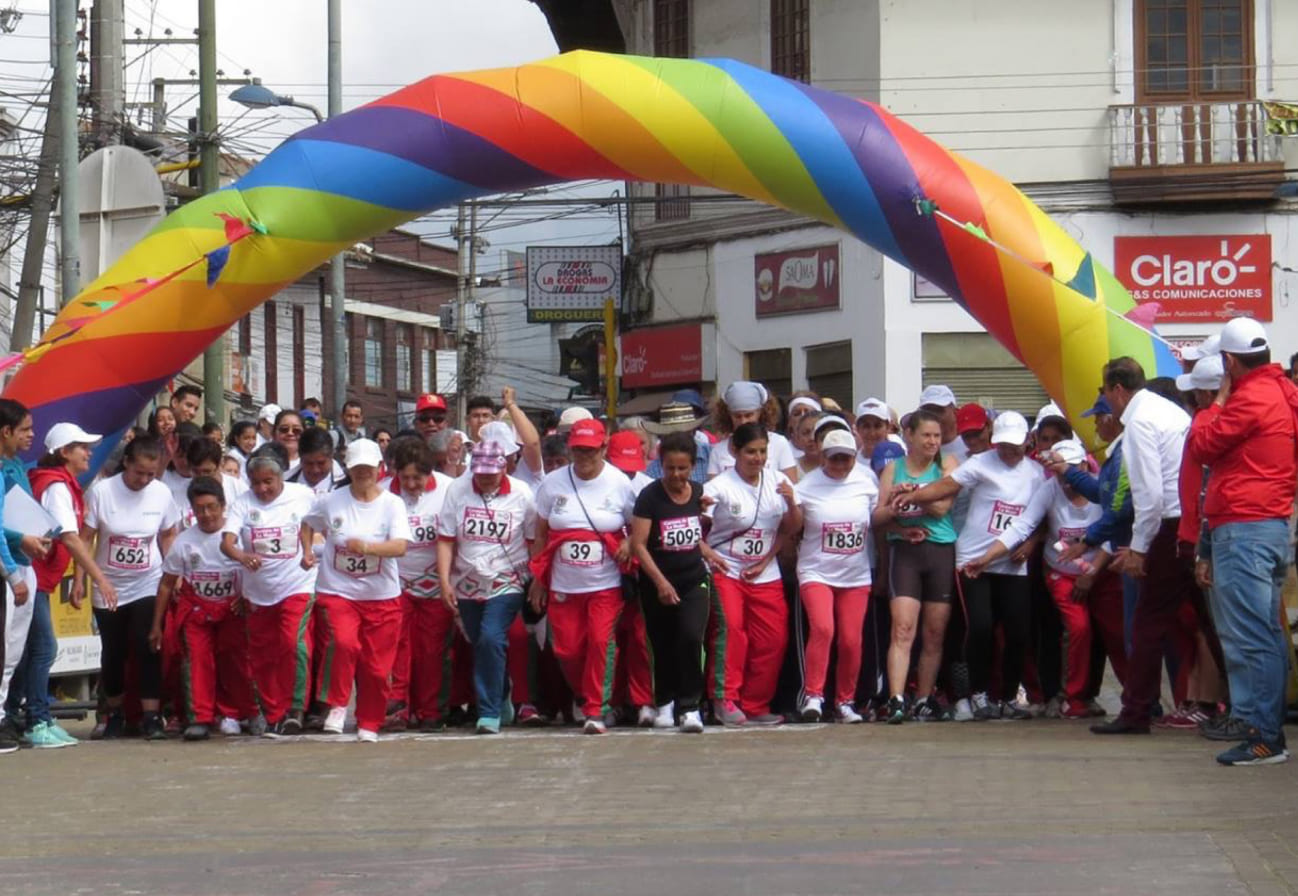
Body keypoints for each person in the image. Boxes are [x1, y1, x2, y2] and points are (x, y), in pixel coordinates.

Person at [1187, 317, 1298, 765]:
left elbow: (1202, 445)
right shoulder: (1286, 393)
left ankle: (1264, 736)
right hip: (1270, 525)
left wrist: (1213, 404)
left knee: (1251, 637)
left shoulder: (1249, 398)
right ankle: (1259, 727)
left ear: (1229, 362)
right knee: (1264, 634)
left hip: (1244, 528)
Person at [902, 410, 1046, 721]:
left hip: (1011, 563)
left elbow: (1039, 517)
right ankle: (979, 694)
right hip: (973, 562)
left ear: (1027, 442)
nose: (1008, 451)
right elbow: (947, 486)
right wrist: (913, 497)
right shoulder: (981, 463)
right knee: (980, 627)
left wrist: (1031, 544)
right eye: (1003, 445)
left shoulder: (1036, 474)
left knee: (1018, 631)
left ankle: (1008, 696)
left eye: (1015, 445)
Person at [971, 438, 1124, 718]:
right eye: (1059, 471)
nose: (1065, 479)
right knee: (1079, 628)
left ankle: (1137, 697)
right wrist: (987, 557)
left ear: (1082, 466)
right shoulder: (1049, 489)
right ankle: (1073, 699)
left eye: (1070, 470)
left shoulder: (1099, 487)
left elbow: (1112, 532)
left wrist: (1091, 574)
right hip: (1062, 575)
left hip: (1101, 573)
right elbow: (1023, 525)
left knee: (1116, 633)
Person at [1090, 356, 1195, 737]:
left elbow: (1148, 494)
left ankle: (1136, 712)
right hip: (1192, 519)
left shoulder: (1139, 422)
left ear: (1118, 389)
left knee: (1148, 622)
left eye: (1104, 391)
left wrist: (1138, 548)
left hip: (1169, 523)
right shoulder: (1168, 411)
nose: (1105, 400)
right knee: (1205, 621)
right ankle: (1228, 706)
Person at [528, 419, 637, 734]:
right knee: (568, 650)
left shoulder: (619, 483)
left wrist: (628, 544)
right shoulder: (552, 484)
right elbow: (541, 535)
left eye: (590, 451)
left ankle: (596, 710)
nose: (584, 458)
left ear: (604, 448)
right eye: (578, 451)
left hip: (605, 584)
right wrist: (538, 579)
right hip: (564, 584)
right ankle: (585, 694)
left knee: (601, 643)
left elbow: (635, 528)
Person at [300, 439, 411, 743]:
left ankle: (369, 722)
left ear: (379, 469)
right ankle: (337, 703)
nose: (362, 473)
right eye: (356, 468)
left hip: (381, 596)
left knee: (376, 669)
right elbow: (307, 523)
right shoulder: (331, 501)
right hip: (339, 591)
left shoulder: (392, 504)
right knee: (345, 644)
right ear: (348, 470)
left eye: (368, 468)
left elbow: (400, 546)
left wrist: (367, 547)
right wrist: (307, 551)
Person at [14, 424, 114, 747]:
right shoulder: (57, 486)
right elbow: (70, 537)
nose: (89, 452)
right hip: (34, 575)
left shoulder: (61, 484)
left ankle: (17, 715)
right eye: (81, 447)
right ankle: (36, 720)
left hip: (39, 576)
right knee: (44, 648)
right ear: (64, 452)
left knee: (30, 651)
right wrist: (99, 578)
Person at [702, 422, 802, 726]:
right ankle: (725, 698)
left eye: (762, 452)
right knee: (733, 630)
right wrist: (708, 554)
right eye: (750, 452)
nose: (757, 458)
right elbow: (695, 527)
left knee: (773, 638)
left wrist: (789, 502)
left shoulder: (779, 480)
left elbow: (792, 527)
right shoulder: (718, 486)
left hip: (764, 571)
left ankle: (756, 703)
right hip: (726, 570)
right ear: (735, 451)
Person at [81, 436, 180, 739]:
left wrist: (174, 576)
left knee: (148, 644)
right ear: (126, 463)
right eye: (139, 473)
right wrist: (83, 580)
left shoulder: (161, 493)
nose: (145, 480)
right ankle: (115, 712)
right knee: (114, 651)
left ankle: (151, 715)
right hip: (108, 583)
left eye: (151, 474)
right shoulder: (102, 492)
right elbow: (84, 539)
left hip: (147, 581)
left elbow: (168, 535)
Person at [437, 440, 537, 734]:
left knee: (492, 638)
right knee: (480, 642)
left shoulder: (522, 494)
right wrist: (444, 581)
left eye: (491, 474)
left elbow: (533, 540)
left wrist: (537, 581)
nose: (485, 479)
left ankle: (488, 710)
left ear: (503, 468)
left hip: (507, 580)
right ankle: (500, 691)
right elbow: (446, 538)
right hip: (467, 581)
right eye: (479, 473)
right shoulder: (457, 490)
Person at [629, 432, 724, 734]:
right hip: (656, 581)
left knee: (691, 638)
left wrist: (708, 554)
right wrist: (660, 583)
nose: (676, 475)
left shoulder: (697, 492)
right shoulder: (649, 497)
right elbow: (639, 545)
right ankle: (665, 701)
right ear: (661, 464)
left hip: (693, 579)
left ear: (693, 466)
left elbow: (691, 537)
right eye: (670, 468)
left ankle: (691, 706)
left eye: (682, 468)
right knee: (663, 643)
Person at [220, 444, 317, 735]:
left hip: (297, 584)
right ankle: (274, 712)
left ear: (280, 478)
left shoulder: (302, 495)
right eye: (256, 483)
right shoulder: (243, 503)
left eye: (268, 482)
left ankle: (296, 707)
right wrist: (241, 556)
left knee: (291, 643)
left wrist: (309, 549)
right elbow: (227, 542)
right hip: (258, 592)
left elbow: (312, 524)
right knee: (262, 653)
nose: (262, 489)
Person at [148, 477, 254, 741]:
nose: (206, 514)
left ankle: (242, 713)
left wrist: (247, 597)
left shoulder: (238, 536)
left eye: (211, 507)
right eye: (200, 509)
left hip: (234, 610)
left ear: (223, 505)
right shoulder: (184, 542)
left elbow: (258, 571)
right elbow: (166, 585)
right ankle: (200, 717)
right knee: (197, 661)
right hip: (197, 612)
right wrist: (156, 626)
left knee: (237, 662)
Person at [871, 410, 959, 723]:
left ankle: (923, 697)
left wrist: (913, 495)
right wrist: (897, 510)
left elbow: (942, 507)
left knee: (934, 632)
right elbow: (878, 519)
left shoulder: (946, 465)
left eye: (937, 436)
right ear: (910, 435)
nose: (933, 442)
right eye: (926, 435)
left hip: (940, 550)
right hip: (904, 552)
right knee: (903, 628)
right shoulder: (894, 469)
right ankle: (896, 697)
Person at [794, 429, 878, 723]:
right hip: (816, 570)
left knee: (851, 640)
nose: (841, 465)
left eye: (847, 459)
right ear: (823, 457)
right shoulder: (807, 485)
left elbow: (877, 518)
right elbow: (792, 526)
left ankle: (845, 701)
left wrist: (899, 516)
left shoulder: (867, 480)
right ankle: (814, 696)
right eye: (835, 459)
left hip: (855, 574)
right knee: (823, 629)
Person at [386, 436, 455, 730]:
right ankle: (398, 709)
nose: (412, 485)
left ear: (430, 474)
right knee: (397, 650)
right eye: (406, 478)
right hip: (396, 583)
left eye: (418, 478)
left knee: (431, 652)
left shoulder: (449, 490)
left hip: (435, 584)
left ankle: (430, 711)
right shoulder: (384, 494)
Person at [708, 382, 797, 479]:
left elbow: (791, 485)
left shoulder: (779, 443)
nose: (743, 421)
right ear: (729, 415)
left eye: (748, 415)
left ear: (760, 412)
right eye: (737, 416)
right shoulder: (718, 451)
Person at [644, 400, 711, 484]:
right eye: (672, 435)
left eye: (683, 434)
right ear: (663, 436)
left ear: (693, 432)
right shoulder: (653, 470)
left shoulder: (711, 455)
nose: (678, 440)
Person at [288, 426, 348, 495]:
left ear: (331, 456)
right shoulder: (285, 484)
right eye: (309, 463)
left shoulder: (347, 484)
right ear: (300, 458)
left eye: (321, 463)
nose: (315, 470)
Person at [918, 384, 968, 463]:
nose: (933, 416)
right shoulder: (916, 451)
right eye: (928, 411)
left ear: (954, 412)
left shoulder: (970, 446)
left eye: (939, 410)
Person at [853, 399, 891, 469]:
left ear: (888, 427)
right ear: (857, 429)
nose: (872, 433)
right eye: (866, 426)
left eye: (877, 426)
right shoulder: (851, 464)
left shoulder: (901, 461)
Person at [273, 410, 307, 477]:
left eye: (296, 430)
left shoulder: (313, 463)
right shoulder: (262, 461)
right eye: (284, 429)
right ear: (274, 434)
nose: (290, 433)